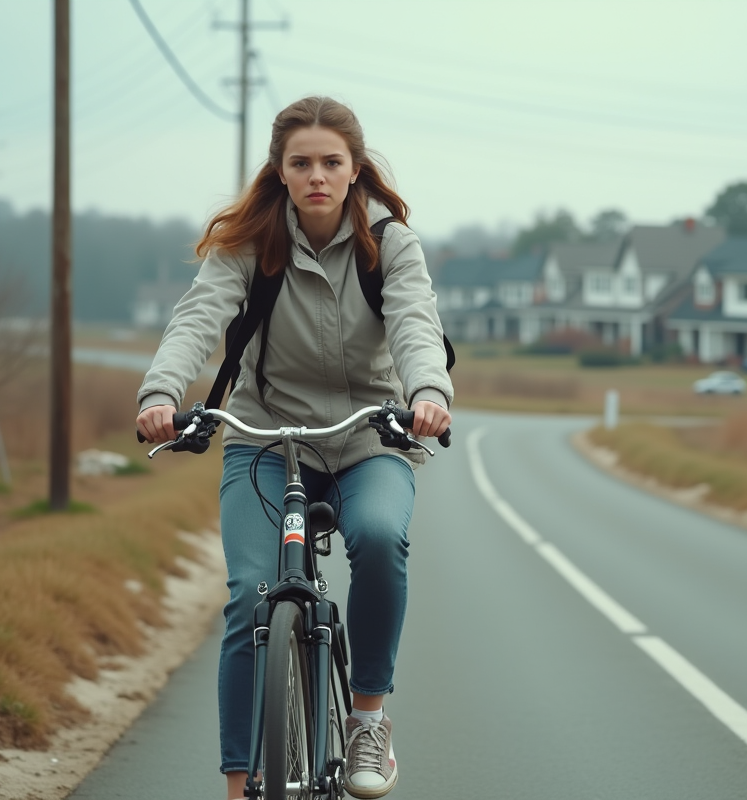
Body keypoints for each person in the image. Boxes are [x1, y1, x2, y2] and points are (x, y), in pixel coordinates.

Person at [135, 96, 452, 800]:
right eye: (301, 162)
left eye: (331, 162)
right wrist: (159, 395)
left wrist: (428, 392)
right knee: (252, 597)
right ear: (279, 170)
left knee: (377, 536)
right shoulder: (250, 245)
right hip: (267, 438)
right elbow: (198, 317)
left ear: (354, 169)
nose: (316, 175)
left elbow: (414, 323)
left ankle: (368, 718)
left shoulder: (389, 243)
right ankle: (240, 782)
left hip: (370, 436)